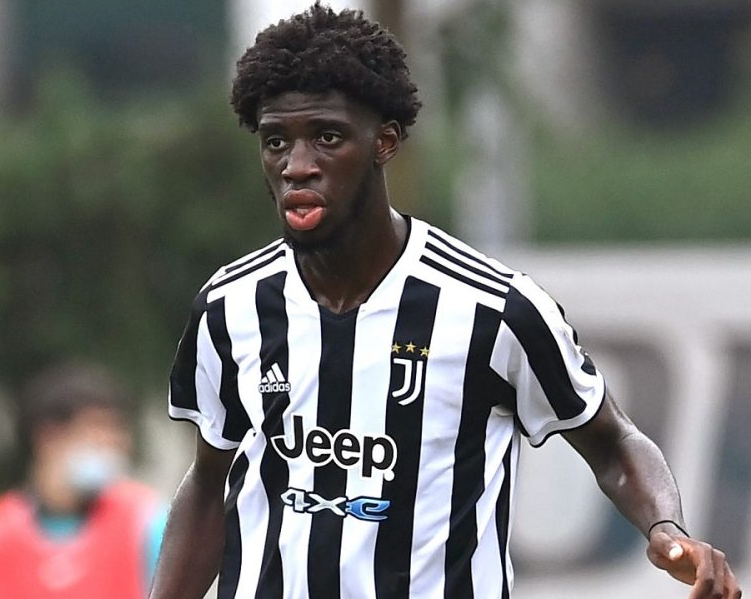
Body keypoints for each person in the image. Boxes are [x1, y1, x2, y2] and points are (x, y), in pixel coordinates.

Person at [151, 3, 742, 598]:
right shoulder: (230, 307)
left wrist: (667, 531)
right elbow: (208, 482)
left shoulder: (494, 309)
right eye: (277, 141)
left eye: (327, 138)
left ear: (384, 143)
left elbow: (613, 442)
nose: (296, 167)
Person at [0, 361, 166, 598]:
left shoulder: (147, 523)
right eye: (99, 428)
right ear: (47, 436)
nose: (116, 444)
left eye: (119, 431)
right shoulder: (4, 530)